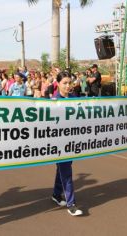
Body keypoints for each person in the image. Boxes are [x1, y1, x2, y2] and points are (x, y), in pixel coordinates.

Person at [51, 71, 83, 216]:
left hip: (72, 141)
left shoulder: (74, 98)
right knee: (67, 172)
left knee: (63, 169)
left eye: (69, 83)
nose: (68, 86)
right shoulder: (53, 101)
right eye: (64, 83)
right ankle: (71, 204)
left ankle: (56, 194)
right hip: (59, 143)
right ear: (58, 83)